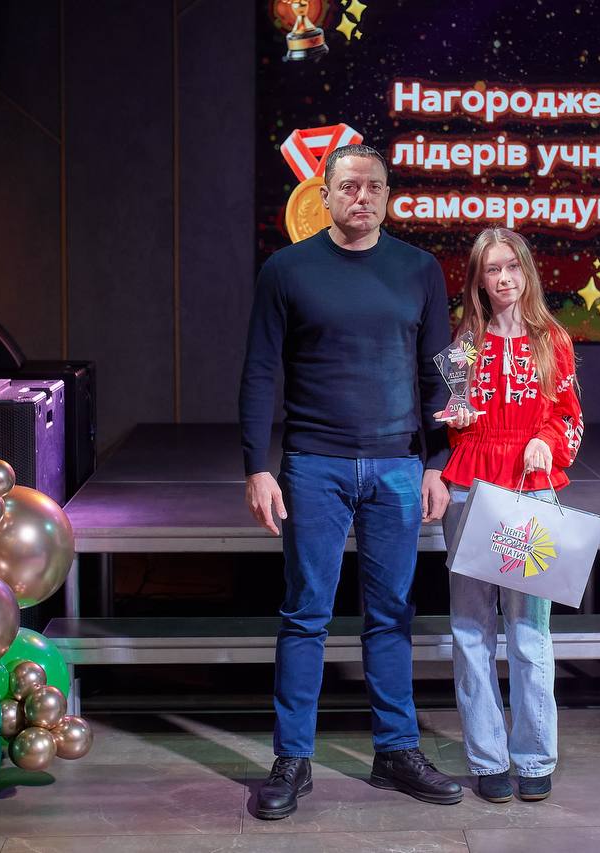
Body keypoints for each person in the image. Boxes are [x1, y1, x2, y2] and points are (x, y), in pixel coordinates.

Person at [239, 143, 462, 819]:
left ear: (387, 196)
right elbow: (260, 371)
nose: (361, 197)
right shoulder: (287, 270)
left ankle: (396, 750)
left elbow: (441, 371)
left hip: (398, 465)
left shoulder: (419, 269)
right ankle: (292, 759)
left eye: (373, 187)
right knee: (305, 614)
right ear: (325, 195)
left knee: (392, 614)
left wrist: (438, 461)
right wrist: (256, 466)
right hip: (314, 465)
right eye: (348, 187)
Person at [438, 227, 583, 804]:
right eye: (492, 269)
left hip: (529, 486)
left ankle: (535, 757)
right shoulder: (463, 343)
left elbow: (569, 415)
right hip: (471, 484)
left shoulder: (552, 339)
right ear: (478, 279)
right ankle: (487, 758)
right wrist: (457, 415)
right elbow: (453, 416)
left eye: (512, 267)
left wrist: (546, 439)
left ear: (527, 272)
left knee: (528, 630)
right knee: (471, 628)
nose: (504, 279)